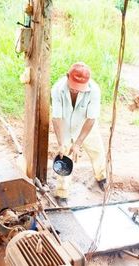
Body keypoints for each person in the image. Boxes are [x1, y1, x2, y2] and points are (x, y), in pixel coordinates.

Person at [51, 62, 107, 206]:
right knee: (64, 157)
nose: (76, 91)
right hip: (65, 127)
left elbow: (91, 118)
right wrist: (61, 143)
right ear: (67, 76)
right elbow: (56, 117)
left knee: (98, 152)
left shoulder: (94, 90)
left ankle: (102, 177)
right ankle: (62, 193)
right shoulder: (57, 89)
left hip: (86, 126)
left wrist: (78, 143)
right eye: (73, 87)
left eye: (79, 89)